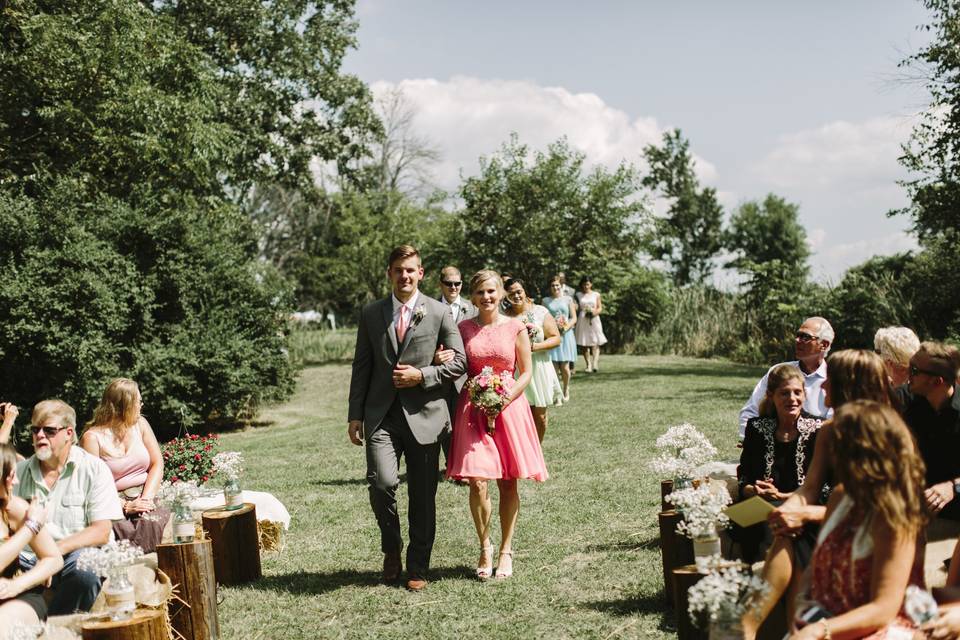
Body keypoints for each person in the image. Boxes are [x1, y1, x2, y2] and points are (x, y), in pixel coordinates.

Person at [746, 350, 895, 638]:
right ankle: (757, 627)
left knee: (797, 532)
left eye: (830, 381)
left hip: (870, 530)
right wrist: (791, 508)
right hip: (828, 520)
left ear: (849, 386)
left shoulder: (889, 436)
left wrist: (805, 512)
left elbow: (878, 511)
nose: (821, 386)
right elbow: (810, 488)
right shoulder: (828, 431)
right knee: (789, 529)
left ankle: (759, 626)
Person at [347, 245, 466, 592]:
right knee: (382, 483)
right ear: (389, 273)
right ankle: (391, 548)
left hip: (427, 415)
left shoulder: (441, 312)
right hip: (381, 415)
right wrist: (355, 415)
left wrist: (423, 375)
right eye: (398, 270)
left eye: (410, 270)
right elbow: (362, 366)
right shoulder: (371, 313)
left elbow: (459, 362)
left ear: (421, 273)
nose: (404, 276)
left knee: (423, 496)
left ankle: (418, 566)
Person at [788, 400, 926, 640]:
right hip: (826, 621)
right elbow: (815, 566)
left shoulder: (893, 515)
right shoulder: (841, 496)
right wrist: (803, 610)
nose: (831, 455)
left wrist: (820, 630)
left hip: (881, 629)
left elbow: (883, 608)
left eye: (838, 446)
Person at [445, 270, 548, 580]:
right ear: (472, 297)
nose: (486, 297)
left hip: (509, 408)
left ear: (501, 293)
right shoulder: (462, 328)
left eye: (491, 291)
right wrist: (442, 357)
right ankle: (484, 545)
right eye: (479, 293)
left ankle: (505, 549)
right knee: (477, 480)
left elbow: (526, 372)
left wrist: (503, 399)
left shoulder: (516, 327)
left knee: (508, 482)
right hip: (472, 410)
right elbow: (455, 363)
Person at [15, 400, 123, 615]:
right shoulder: (18, 473)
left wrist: (52, 554)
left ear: (69, 433)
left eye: (49, 430)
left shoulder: (94, 468)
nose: (40, 436)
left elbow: (101, 531)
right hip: (29, 558)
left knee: (87, 570)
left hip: (73, 554)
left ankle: (55, 629)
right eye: (35, 429)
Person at [735, 364, 825, 563]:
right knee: (767, 520)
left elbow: (826, 487)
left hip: (803, 506)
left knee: (777, 521)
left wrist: (785, 496)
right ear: (771, 395)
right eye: (784, 393)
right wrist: (754, 490)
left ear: (804, 395)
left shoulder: (819, 429)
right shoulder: (756, 428)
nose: (792, 399)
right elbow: (743, 479)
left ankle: (772, 579)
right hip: (761, 508)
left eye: (797, 392)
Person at [896, 341, 960, 588]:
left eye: (914, 370)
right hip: (916, 506)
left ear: (937, 382)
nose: (907, 374)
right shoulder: (903, 401)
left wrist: (953, 487)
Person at [81, 379, 168, 553]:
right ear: (124, 406)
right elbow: (91, 485)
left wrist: (146, 499)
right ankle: (141, 563)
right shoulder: (92, 438)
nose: (141, 406)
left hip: (146, 492)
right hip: (111, 501)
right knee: (121, 529)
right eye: (138, 401)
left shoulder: (140, 425)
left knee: (151, 521)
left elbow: (157, 463)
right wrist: (125, 506)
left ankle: (145, 560)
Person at [738, 317, 834, 440]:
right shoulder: (779, 372)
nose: (797, 340)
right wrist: (749, 440)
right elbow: (750, 411)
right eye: (798, 335)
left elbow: (834, 425)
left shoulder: (834, 379)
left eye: (805, 337)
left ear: (824, 345)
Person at [0, 443, 62, 630]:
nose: (16, 482)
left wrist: (17, 584)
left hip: (16, 599)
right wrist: (31, 527)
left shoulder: (14, 509)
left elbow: (54, 558)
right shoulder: (29, 521)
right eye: (12, 476)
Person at [504, 277, 563, 442]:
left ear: (524, 292)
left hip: (539, 368)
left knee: (540, 417)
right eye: (511, 294)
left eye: (519, 292)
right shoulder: (503, 317)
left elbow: (556, 338)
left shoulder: (540, 312)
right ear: (506, 296)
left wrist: (533, 347)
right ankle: (522, 454)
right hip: (516, 370)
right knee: (518, 417)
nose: (516, 296)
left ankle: (536, 451)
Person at [436, 266, 476, 474]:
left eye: (457, 283)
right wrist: (434, 357)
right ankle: (450, 464)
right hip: (439, 376)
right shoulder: (429, 308)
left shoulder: (473, 308)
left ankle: (463, 465)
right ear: (440, 284)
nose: (453, 287)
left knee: (465, 421)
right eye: (448, 283)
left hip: (467, 376)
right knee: (444, 423)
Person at [542, 276, 577, 401]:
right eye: (552, 285)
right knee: (554, 367)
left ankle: (566, 388)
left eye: (557, 285)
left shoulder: (568, 299)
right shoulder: (545, 301)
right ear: (550, 287)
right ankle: (557, 394)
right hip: (553, 335)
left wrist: (565, 327)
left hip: (566, 336)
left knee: (565, 367)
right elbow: (543, 318)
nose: (555, 287)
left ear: (561, 286)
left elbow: (574, 318)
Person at [574, 276, 606, 373]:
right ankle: (588, 365)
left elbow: (600, 307)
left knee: (595, 342)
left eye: (587, 284)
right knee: (584, 343)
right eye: (584, 284)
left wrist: (594, 312)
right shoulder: (578, 295)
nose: (586, 286)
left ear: (591, 284)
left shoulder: (596, 294)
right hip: (583, 319)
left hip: (594, 319)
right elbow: (576, 307)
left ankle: (595, 363)